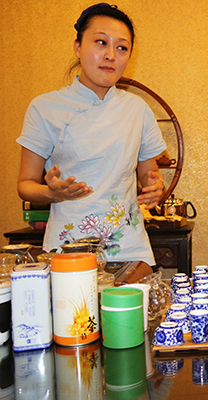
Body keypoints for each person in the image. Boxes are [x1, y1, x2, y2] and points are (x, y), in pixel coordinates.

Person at [17, 3, 166, 265]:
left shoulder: (138, 109)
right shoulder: (45, 108)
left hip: (129, 248)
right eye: (101, 42)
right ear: (77, 46)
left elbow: (148, 173)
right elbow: (25, 184)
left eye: (122, 47)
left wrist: (155, 186)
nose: (111, 55)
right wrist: (53, 193)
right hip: (68, 249)